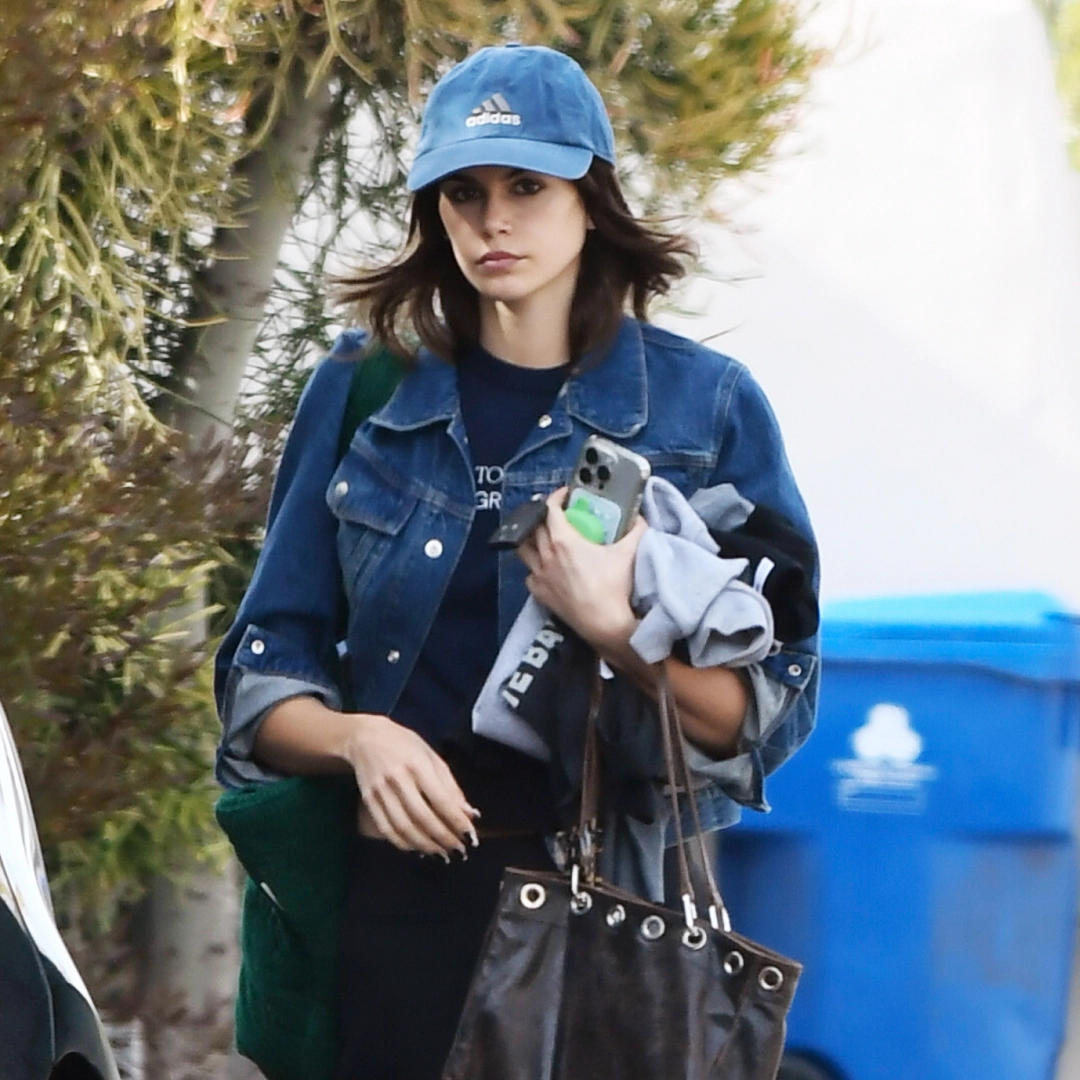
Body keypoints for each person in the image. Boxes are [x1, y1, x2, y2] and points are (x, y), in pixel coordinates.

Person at [215, 42, 819, 1080]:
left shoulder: (704, 408)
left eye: (527, 187)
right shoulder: (364, 393)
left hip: (600, 919)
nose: (493, 220)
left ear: (591, 199)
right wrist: (359, 739)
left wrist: (614, 630)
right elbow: (262, 675)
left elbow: (764, 715)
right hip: (388, 923)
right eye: (464, 192)